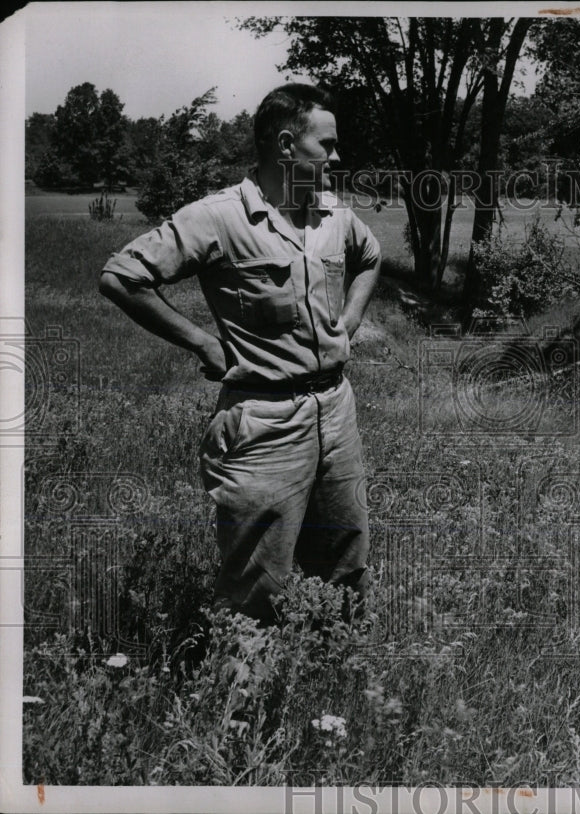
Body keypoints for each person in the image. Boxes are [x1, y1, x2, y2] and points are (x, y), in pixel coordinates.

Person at [99, 84, 381, 625]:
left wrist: (349, 321)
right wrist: (202, 341)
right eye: (327, 144)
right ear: (285, 145)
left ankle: (340, 685)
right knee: (256, 588)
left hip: (336, 412)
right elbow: (122, 276)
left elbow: (369, 257)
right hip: (264, 422)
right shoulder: (219, 217)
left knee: (347, 566)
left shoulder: (331, 213)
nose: (337, 157)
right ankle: (242, 703)